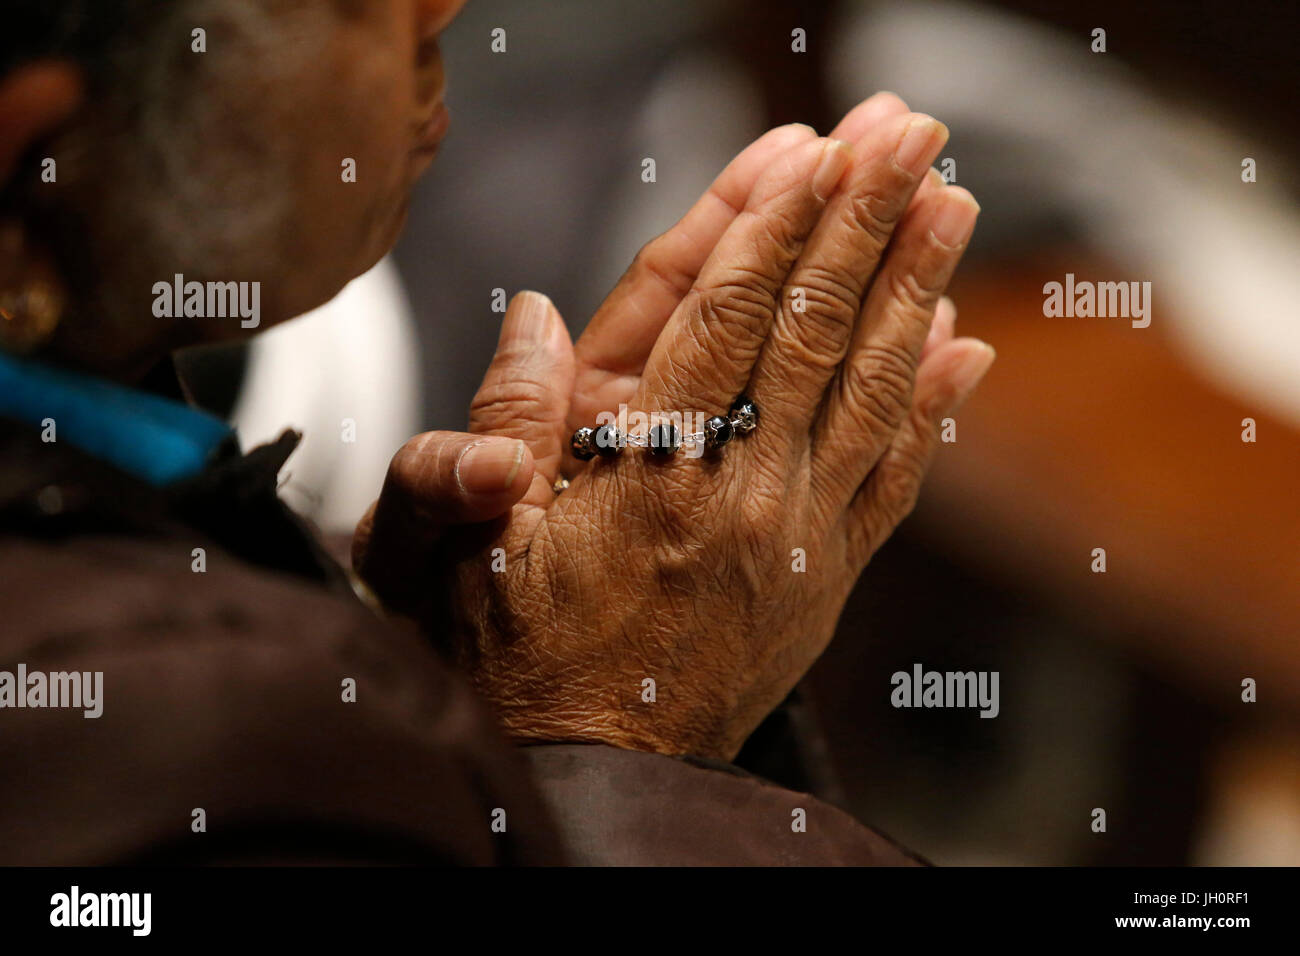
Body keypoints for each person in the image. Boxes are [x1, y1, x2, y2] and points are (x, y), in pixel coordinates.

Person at [0, 0, 992, 865]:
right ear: (34, 159)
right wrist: (598, 742)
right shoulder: (182, 738)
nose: (441, 6)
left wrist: (403, 680)